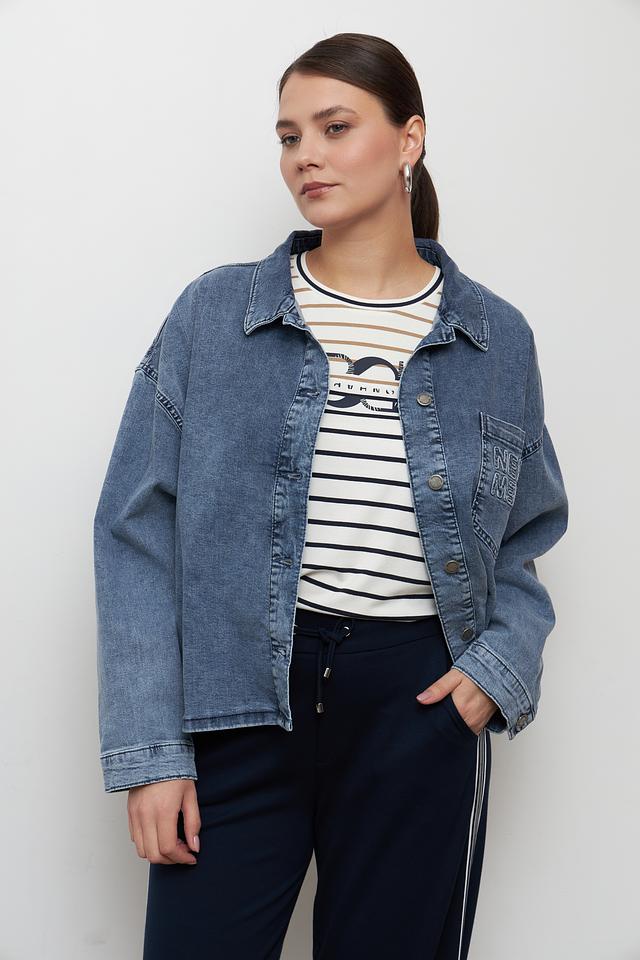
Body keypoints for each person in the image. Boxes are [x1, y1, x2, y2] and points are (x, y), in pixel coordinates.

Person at [93, 32, 569, 960]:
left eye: (334, 127)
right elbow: (134, 528)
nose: (304, 155)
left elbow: (527, 533)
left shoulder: (496, 338)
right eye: (288, 136)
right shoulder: (215, 315)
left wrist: (495, 672)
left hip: (418, 707)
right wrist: (151, 751)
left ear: (408, 140)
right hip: (238, 704)